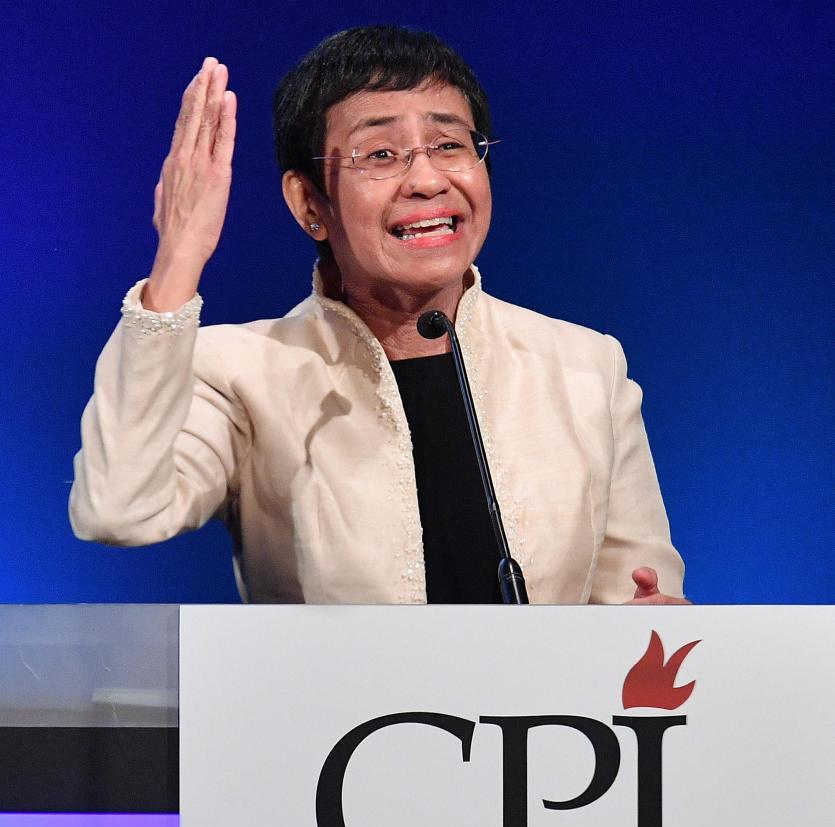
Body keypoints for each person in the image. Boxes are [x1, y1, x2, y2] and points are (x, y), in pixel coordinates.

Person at [70, 26, 687, 606]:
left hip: (542, 723)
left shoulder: (583, 365)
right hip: (335, 723)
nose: (426, 179)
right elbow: (120, 509)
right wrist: (179, 259)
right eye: (381, 154)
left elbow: (638, 599)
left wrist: (657, 623)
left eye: (450, 144)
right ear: (309, 202)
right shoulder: (242, 373)